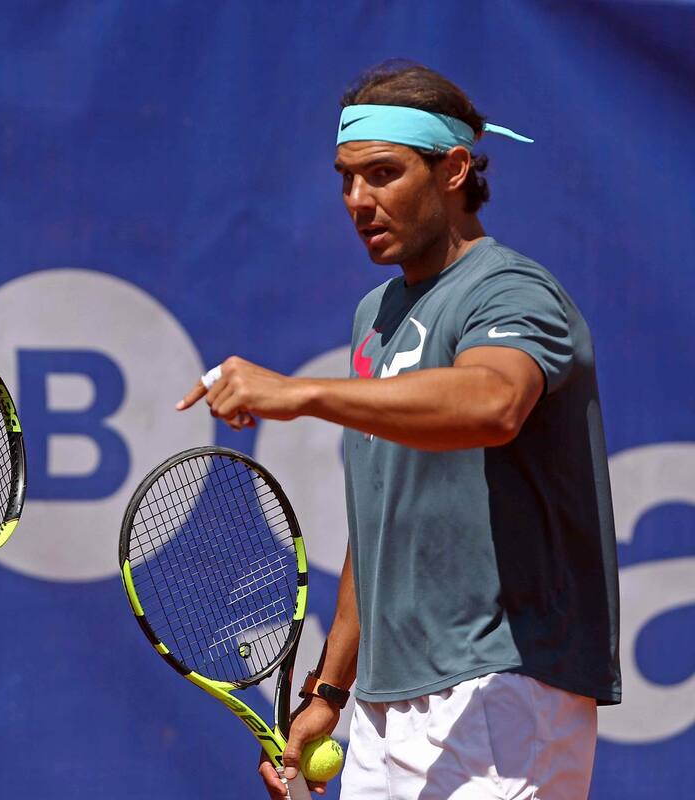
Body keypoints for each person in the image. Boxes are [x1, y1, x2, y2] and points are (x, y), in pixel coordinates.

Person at [178, 62, 620, 799]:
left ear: (452, 170)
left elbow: (493, 404)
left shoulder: (511, 290)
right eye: (346, 178)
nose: (358, 200)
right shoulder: (374, 317)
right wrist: (329, 690)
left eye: (383, 174)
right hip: (385, 705)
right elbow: (381, 519)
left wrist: (303, 393)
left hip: (505, 690)